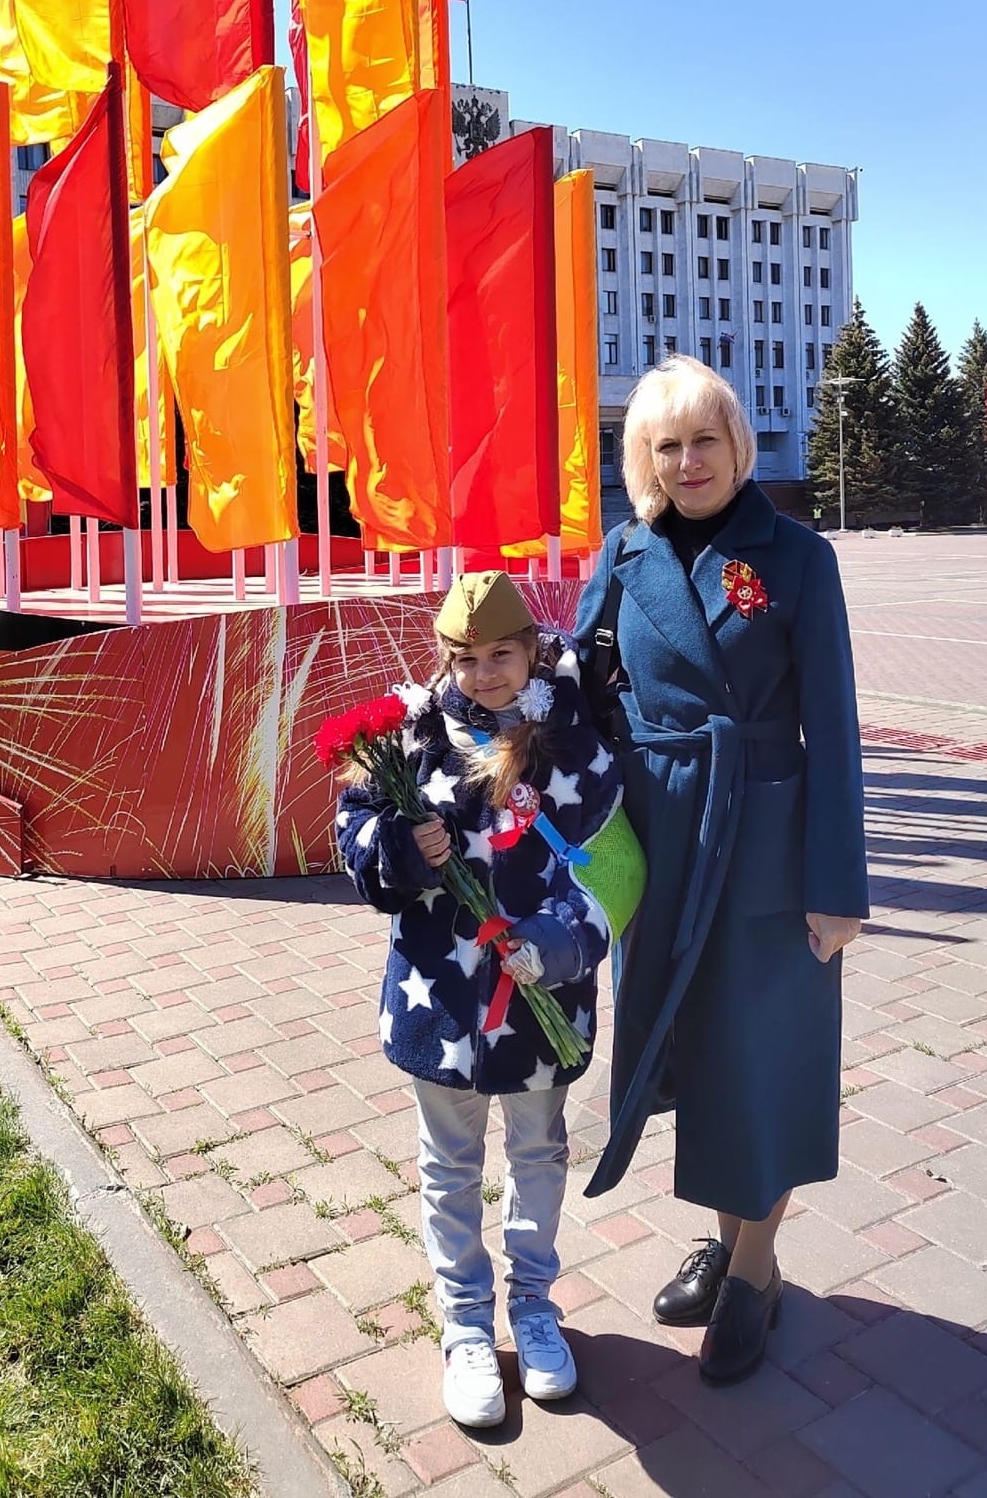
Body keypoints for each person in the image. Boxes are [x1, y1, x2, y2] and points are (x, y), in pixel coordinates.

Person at [575, 355, 868, 1387]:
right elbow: (575, 695)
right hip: (658, 842)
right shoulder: (623, 553)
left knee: (763, 1056)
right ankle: (725, 1235)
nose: (689, 461)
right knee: (692, 1048)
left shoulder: (797, 556)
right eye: (668, 445)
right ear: (643, 459)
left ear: (740, 447)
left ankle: (753, 1269)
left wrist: (837, 888)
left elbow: (833, 726)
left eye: (706, 440)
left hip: (765, 844)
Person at [337, 571, 642, 1429]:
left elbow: (616, 864)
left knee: (539, 1152)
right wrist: (398, 848)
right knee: (450, 1165)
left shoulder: (574, 747)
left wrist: (558, 941)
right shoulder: (411, 738)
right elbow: (351, 830)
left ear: (534, 650)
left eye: (502, 654)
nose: (484, 674)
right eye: (466, 659)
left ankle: (534, 1307)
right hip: (439, 1004)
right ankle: (467, 1323)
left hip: (543, 1005)